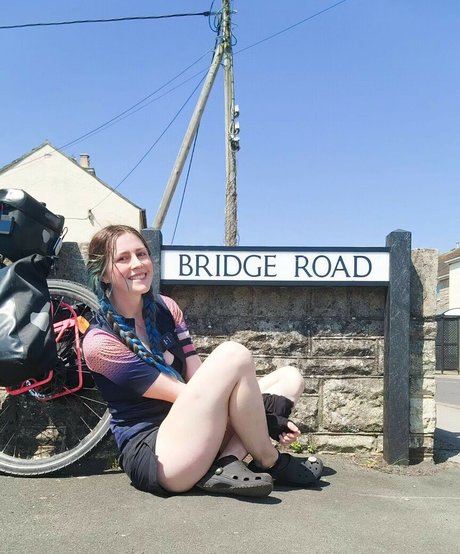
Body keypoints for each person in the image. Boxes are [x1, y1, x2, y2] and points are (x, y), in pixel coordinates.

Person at [82, 225, 323, 498]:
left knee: (289, 378)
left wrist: (256, 413)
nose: (137, 264)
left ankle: (226, 463)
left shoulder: (167, 308)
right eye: (123, 258)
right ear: (103, 274)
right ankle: (269, 460)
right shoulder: (99, 342)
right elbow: (182, 395)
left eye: (141, 254)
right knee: (233, 355)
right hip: (163, 456)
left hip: (203, 432)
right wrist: (266, 419)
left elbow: (197, 379)